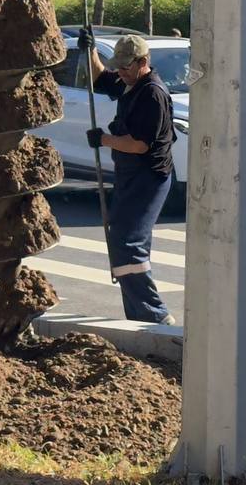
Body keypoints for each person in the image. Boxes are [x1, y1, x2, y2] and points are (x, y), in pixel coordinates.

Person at [78, 30, 176, 325]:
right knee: (121, 236)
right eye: (117, 65)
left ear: (143, 61)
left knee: (126, 240)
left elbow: (139, 144)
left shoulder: (152, 95)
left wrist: (104, 140)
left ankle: (155, 315)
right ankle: (137, 316)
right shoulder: (128, 83)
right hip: (129, 175)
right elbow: (100, 79)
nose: (120, 72)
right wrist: (90, 51)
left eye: (126, 66)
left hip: (148, 177)